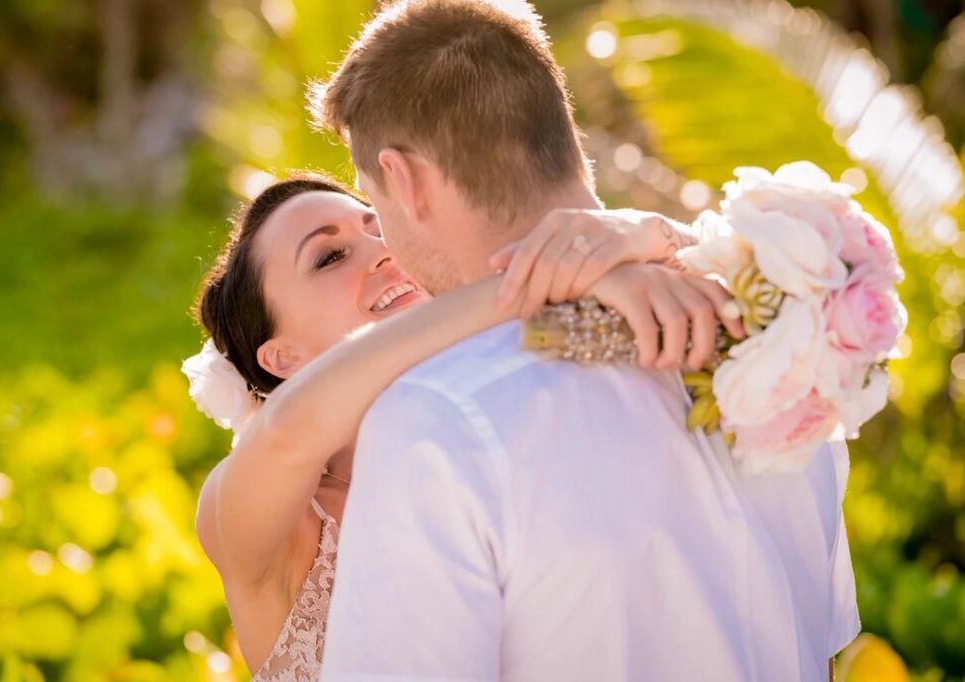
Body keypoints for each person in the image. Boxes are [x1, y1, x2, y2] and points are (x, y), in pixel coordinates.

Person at [311, 1, 859, 680]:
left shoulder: (435, 421)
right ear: (559, 134)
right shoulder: (785, 349)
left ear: (406, 180)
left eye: (375, 202)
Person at [188, 172, 730, 681]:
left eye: (379, 226)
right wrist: (534, 280)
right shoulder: (250, 521)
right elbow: (288, 431)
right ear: (282, 359)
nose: (383, 252)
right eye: (330, 256)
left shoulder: (509, 406)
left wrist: (648, 238)